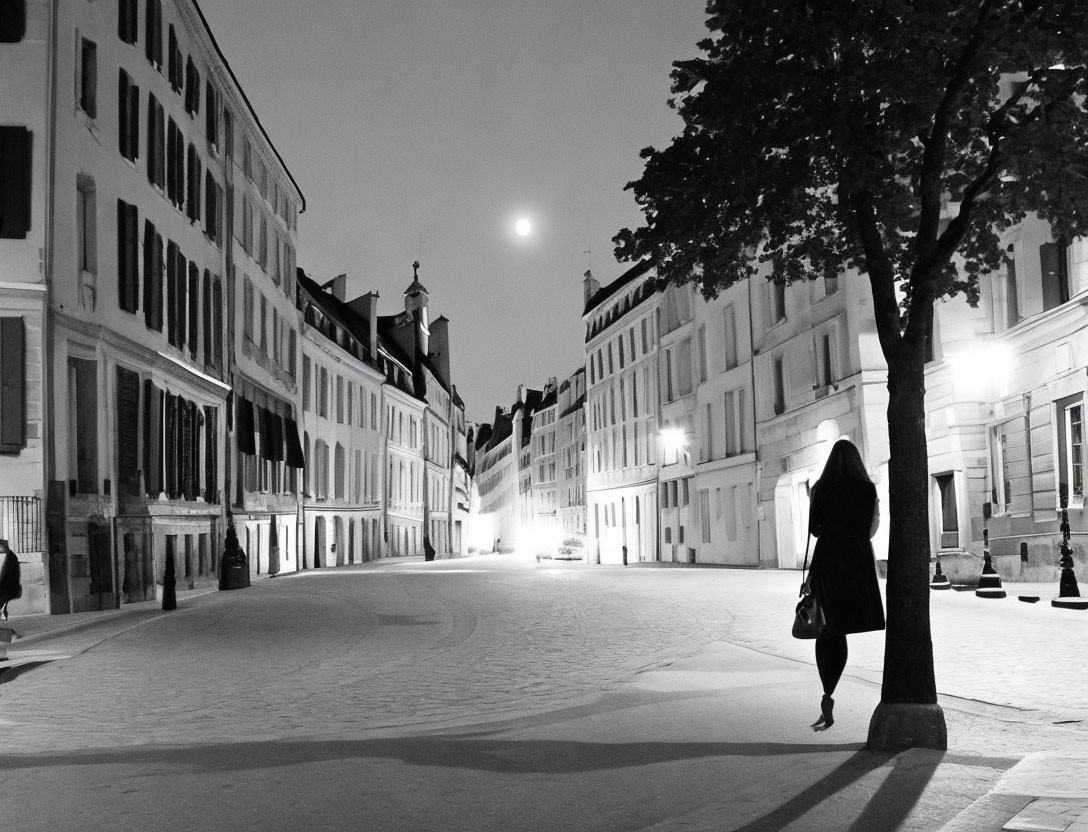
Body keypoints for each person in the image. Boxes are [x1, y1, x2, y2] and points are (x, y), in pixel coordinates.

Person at [805, 439, 885, 730]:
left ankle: (828, 690)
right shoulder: (867, 489)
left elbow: (814, 531)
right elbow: (870, 529)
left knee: (828, 629)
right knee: (846, 622)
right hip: (856, 564)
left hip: (828, 562)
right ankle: (829, 692)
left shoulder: (821, 489)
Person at [0, 538, 22, 623]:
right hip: (8, 588)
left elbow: (6, 574)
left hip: (8, 588)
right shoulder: (10, 556)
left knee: (2, 604)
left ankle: (5, 626)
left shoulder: (9, 557)